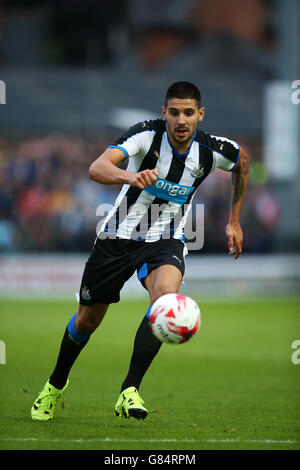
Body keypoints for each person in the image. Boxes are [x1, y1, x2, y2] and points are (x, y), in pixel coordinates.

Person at [31, 81, 249, 421]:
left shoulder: (212, 150)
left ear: (200, 115)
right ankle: (55, 385)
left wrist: (234, 220)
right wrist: (128, 177)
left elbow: (242, 164)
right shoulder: (145, 135)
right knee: (88, 320)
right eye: (174, 112)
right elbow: (96, 168)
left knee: (165, 301)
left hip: (167, 238)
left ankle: (129, 390)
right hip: (118, 236)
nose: (181, 120)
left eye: (189, 113)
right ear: (164, 113)